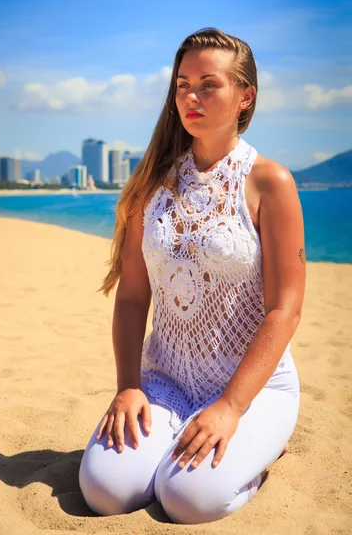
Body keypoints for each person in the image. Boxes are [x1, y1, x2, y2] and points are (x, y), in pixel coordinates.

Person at [78, 27, 306, 525]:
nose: (191, 97)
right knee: (104, 490)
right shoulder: (150, 185)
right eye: (182, 84)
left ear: (245, 96)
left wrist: (230, 406)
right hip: (167, 383)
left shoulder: (270, 182)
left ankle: (265, 450)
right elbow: (134, 298)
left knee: (186, 499)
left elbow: (284, 310)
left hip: (254, 390)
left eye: (209, 84)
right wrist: (128, 387)